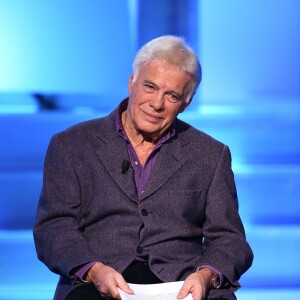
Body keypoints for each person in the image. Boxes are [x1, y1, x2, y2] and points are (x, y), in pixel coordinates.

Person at [33, 35, 253, 300]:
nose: (157, 104)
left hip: (182, 284)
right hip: (97, 282)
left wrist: (205, 275)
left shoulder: (211, 154)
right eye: (150, 87)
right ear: (131, 83)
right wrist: (93, 270)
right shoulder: (71, 145)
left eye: (172, 95)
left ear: (186, 103)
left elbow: (230, 239)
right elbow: (53, 228)